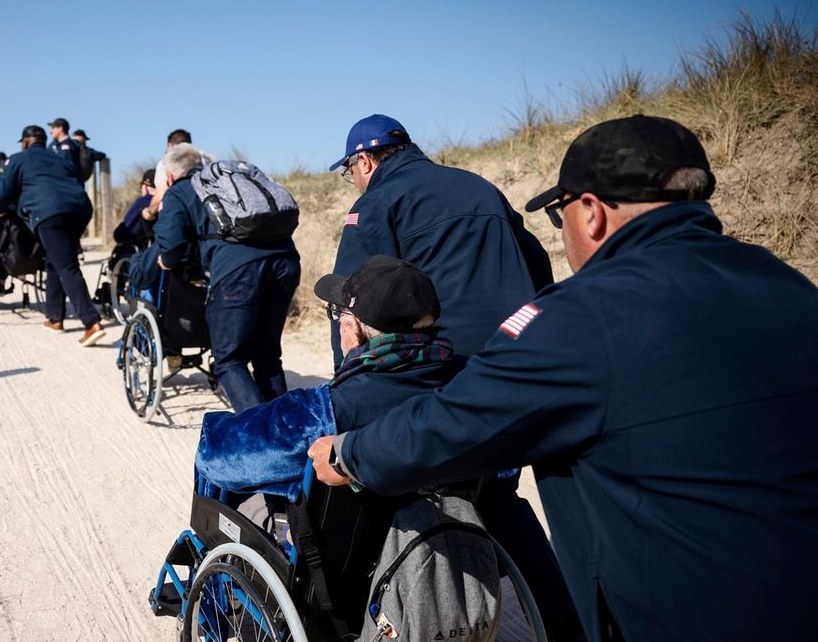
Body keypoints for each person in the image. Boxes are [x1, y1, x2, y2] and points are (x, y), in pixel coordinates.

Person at [309, 115, 818, 640]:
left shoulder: (581, 322)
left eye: (560, 215)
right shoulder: (790, 288)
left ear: (592, 213)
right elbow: (532, 260)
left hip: (693, 616)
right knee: (498, 496)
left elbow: (361, 310)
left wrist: (351, 448)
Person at [195, 255, 581, 638]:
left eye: (340, 318)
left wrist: (216, 426)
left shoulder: (324, 409)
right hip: (442, 546)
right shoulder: (473, 387)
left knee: (241, 494)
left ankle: (208, 612)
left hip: (339, 578)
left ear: (358, 332)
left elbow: (218, 457)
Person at [329, 114, 551, 364]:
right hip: (520, 348)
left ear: (364, 161)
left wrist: (345, 372)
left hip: (445, 362)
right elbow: (537, 261)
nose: (355, 180)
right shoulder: (480, 186)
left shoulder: (375, 204)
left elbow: (350, 299)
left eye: (351, 171)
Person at [154, 143, 300, 412]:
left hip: (238, 272)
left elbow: (172, 247)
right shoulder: (228, 183)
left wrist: (167, 260)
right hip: (286, 262)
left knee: (230, 360)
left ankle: (262, 438)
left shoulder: (180, 191)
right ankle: (285, 430)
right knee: (267, 354)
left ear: (171, 176)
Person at [0, 124, 106, 346]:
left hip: (50, 213)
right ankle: (55, 318)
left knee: (67, 266)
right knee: (54, 260)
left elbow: (3, 192)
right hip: (80, 209)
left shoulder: (19, 159)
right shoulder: (58, 158)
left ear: (25, 143)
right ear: (44, 141)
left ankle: (92, 323)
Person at [113, 167, 156, 248]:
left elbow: (120, 234)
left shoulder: (143, 202)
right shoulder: (170, 199)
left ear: (145, 187)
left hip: (144, 249)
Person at [47, 117, 86, 182]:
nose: (51, 131)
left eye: (53, 128)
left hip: (67, 184)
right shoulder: (55, 145)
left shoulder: (67, 145)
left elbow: (65, 166)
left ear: (60, 129)